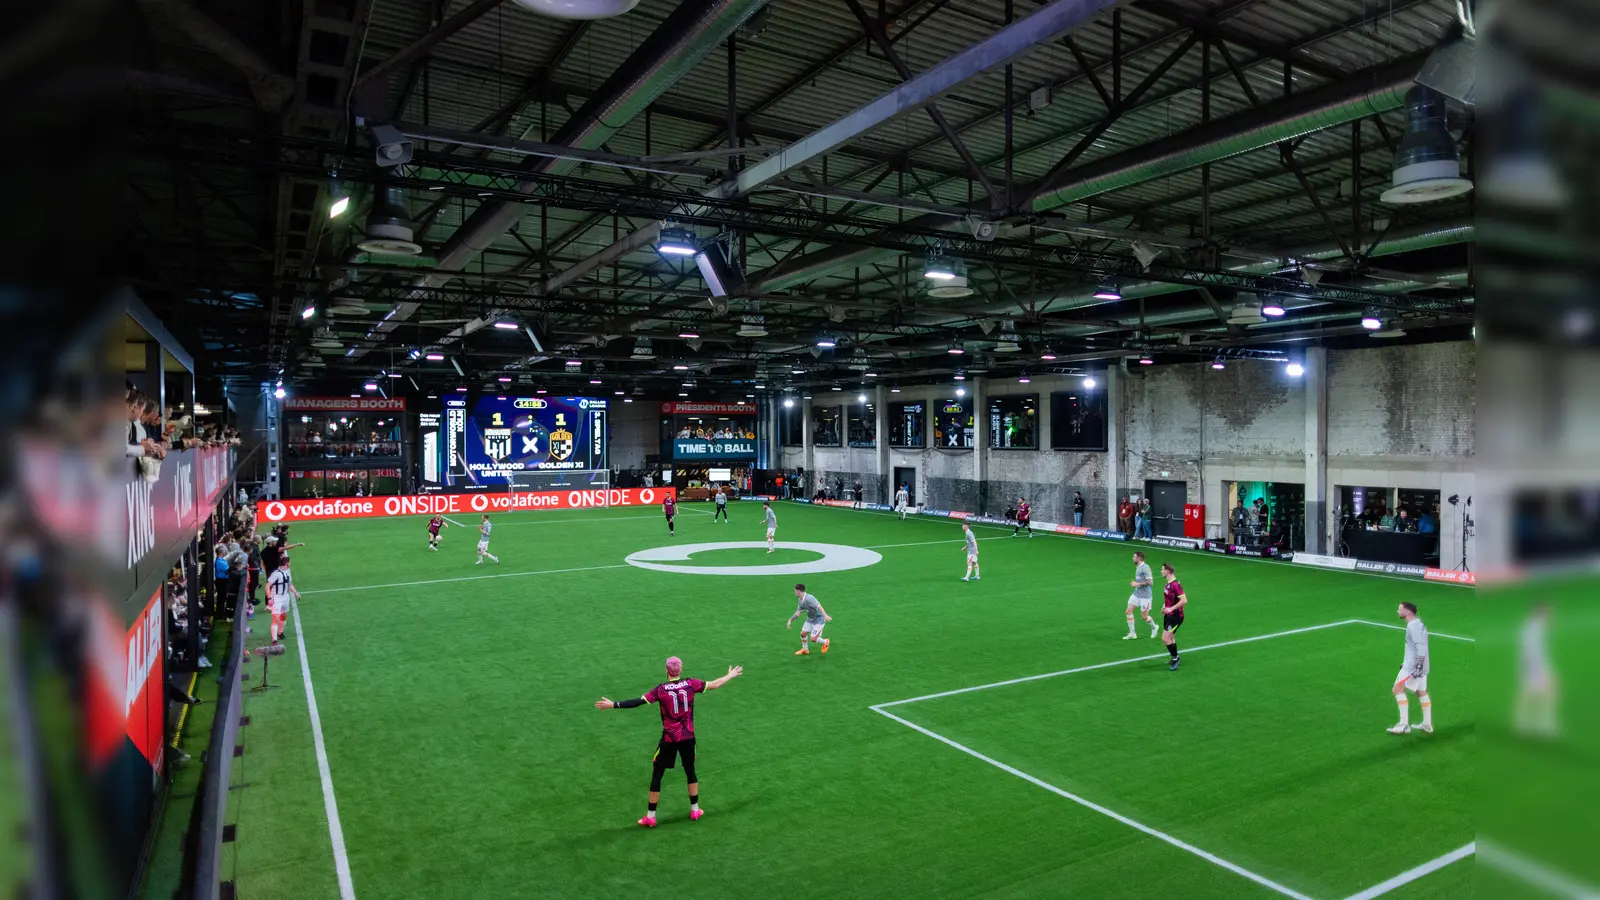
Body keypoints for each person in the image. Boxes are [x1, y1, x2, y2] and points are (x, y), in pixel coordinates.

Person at [593, 656, 744, 827]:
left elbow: (639, 702)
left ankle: (651, 816)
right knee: (690, 770)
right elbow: (715, 684)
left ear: (667, 670)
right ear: (680, 669)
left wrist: (614, 704)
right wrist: (730, 675)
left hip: (669, 739)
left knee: (657, 773)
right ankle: (695, 809)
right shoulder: (691, 684)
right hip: (688, 737)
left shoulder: (661, 690)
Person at [1389, 602, 1433, 734]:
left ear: (1407, 612)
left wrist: (1417, 666)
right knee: (1421, 692)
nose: (1398, 611)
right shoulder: (1418, 623)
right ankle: (1427, 724)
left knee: (1397, 690)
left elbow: (1420, 647)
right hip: (1422, 666)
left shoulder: (1412, 627)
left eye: (1400, 609)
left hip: (1413, 668)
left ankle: (1403, 725)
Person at [1515, 602, 1558, 738]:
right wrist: (1543, 670)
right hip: (1535, 666)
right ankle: (1545, 725)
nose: (1551, 614)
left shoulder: (1533, 626)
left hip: (1529, 665)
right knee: (1550, 692)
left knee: (1527, 694)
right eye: (1549, 611)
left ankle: (1522, 723)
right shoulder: (1536, 628)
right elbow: (1533, 651)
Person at [786, 583, 832, 655]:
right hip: (810, 619)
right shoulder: (801, 600)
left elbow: (819, 606)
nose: (794, 592)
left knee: (813, 639)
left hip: (819, 620)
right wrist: (790, 620)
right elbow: (798, 613)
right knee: (803, 634)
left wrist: (825, 616)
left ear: (798, 591)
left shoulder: (809, 598)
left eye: (795, 591)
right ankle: (805, 650)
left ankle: (826, 642)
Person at [265, 557, 300, 645]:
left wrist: (296, 593)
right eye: (289, 563)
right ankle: (274, 640)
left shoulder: (287, 572)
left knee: (283, 616)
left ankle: (280, 632)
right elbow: (267, 586)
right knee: (276, 618)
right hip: (276, 598)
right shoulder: (276, 574)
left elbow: (289, 584)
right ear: (287, 563)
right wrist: (269, 598)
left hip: (285, 597)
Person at [1124, 551, 1158, 640]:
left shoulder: (1145, 568)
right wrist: (1137, 585)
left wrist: (1137, 584)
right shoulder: (1138, 567)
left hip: (1145, 596)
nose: (1133, 558)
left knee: (1144, 617)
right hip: (1137, 594)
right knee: (1128, 611)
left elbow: (1151, 582)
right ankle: (1132, 633)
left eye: (1134, 557)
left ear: (1139, 558)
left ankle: (1154, 627)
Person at [1159, 563, 1186, 671]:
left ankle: (1176, 658)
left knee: (1165, 638)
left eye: (1162, 570)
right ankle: (1174, 657)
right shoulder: (1168, 584)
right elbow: (1169, 599)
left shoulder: (1176, 585)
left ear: (1168, 571)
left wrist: (1171, 609)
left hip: (1176, 616)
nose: (1161, 571)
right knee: (1170, 637)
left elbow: (1184, 600)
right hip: (1168, 615)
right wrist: (1164, 607)